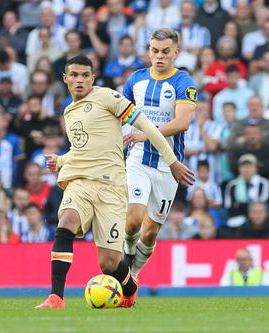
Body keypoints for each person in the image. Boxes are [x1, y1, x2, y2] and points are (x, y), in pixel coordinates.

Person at [36, 55, 194, 309]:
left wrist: (172, 161)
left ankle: (130, 288)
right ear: (65, 79)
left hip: (111, 188)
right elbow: (83, 149)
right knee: (66, 221)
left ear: (92, 78)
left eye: (85, 75)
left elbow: (148, 127)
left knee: (109, 263)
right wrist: (62, 160)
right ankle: (56, 297)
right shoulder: (69, 111)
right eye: (74, 75)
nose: (79, 80)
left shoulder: (109, 97)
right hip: (80, 182)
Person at [119, 28, 197, 277]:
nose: (159, 56)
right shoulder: (135, 80)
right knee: (133, 220)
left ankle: (133, 275)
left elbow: (182, 122)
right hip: (138, 158)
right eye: (154, 51)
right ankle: (125, 263)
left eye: (165, 51)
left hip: (167, 165)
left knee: (150, 232)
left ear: (176, 52)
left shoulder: (183, 82)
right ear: (149, 51)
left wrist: (147, 132)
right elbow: (121, 117)